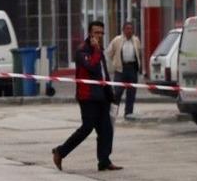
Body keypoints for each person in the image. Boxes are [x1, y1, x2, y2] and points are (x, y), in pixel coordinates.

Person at [52, 21, 122, 172]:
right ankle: (60, 152)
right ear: (90, 33)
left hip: (102, 95)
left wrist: (110, 92)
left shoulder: (99, 50)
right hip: (88, 96)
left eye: (101, 33)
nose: (99, 36)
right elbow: (91, 66)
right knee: (87, 128)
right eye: (96, 32)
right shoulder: (82, 50)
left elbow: (103, 73)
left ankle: (104, 161)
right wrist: (96, 50)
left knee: (106, 130)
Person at [105, 21, 142, 119]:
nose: (129, 31)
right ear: (123, 30)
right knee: (117, 92)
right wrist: (115, 62)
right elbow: (109, 53)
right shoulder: (117, 40)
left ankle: (128, 113)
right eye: (127, 29)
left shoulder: (136, 40)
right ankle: (113, 113)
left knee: (131, 92)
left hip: (132, 69)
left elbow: (139, 52)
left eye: (131, 29)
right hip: (121, 69)